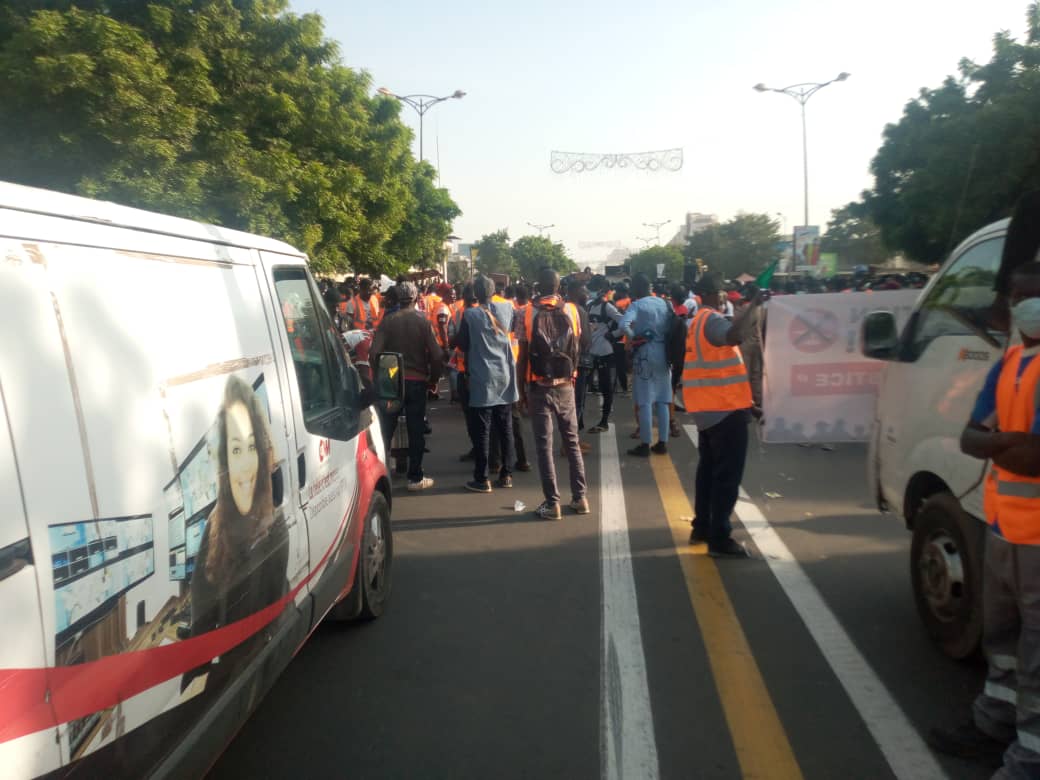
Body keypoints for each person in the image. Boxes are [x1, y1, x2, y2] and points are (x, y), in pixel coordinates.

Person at [928, 262, 1040, 774]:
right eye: (1017, 296)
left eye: (1030, 295)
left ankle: (1027, 758)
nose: (1020, 306)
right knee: (1001, 639)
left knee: (1037, 655)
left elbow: (1031, 456)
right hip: (1002, 527)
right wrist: (1005, 445)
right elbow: (969, 438)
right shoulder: (1013, 361)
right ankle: (993, 720)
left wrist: (996, 444)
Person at [187, 375, 289, 689]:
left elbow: (272, 626)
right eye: (234, 451)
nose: (244, 466)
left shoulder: (274, 527)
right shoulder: (214, 531)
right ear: (224, 462)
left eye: (250, 448)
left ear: (262, 452)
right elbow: (199, 634)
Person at [683, 273, 764, 558]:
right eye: (721, 293)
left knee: (708, 473)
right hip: (723, 411)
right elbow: (734, 336)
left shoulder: (697, 322)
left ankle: (702, 527)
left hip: (710, 409)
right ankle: (719, 537)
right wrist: (753, 305)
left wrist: (748, 404)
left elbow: (720, 368)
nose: (724, 297)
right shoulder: (711, 319)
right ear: (711, 294)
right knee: (726, 477)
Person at [517, 267, 589, 520]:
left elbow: (523, 356)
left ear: (539, 286)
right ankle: (580, 498)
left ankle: (552, 503)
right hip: (566, 384)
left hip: (539, 385)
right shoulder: (572, 311)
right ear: (559, 287)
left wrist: (520, 390)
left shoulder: (526, 312)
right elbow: (579, 346)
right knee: (571, 442)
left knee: (544, 446)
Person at [370, 281, 442, 491]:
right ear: (416, 297)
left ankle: (381, 475)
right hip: (417, 382)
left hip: (392, 383)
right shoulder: (422, 321)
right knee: (415, 430)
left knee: (386, 430)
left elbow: (375, 353)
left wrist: (382, 377)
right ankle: (415, 477)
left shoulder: (388, 321)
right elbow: (436, 355)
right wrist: (434, 379)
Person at [454, 275, 518, 492]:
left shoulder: (470, 315)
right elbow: (513, 329)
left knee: (483, 429)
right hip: (505, 373)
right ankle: (507, 474)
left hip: (483, 377)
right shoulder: (508, 308)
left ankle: (482, 478)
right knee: (505, 427)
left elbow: (462, 344)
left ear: (476, 293)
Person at [620, 273, 674, 456]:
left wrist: (634, 337)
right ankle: (663, 443)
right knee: (663, 400)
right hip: (664, 353)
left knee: (644, 401)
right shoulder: (665, 304)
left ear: (636, 288)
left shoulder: (637, 305)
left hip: (645, 353)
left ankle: (645, 444)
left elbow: (623, 324)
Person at [585, 276, 622, 433]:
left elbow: (624, 321)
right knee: (585, 386)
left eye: (593, 288)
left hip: (605, 352)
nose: (590, 291)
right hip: (590, 352)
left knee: (606, 388)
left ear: (601, 290)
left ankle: (604, 421)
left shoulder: (607, 307)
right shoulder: (589, 305)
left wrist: (613, 334)